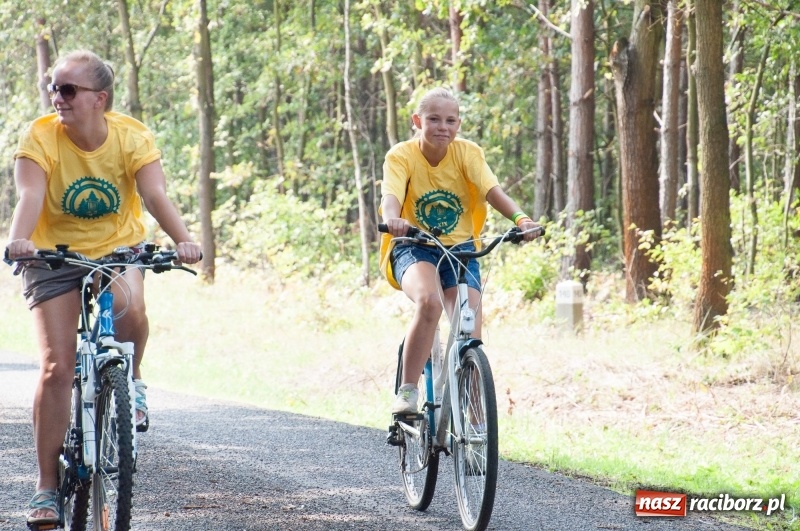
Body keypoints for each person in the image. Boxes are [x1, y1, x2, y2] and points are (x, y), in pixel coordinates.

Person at [3, 50, 201, 526]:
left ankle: (130, 382)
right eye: (54, 87)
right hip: (53, 254)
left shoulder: (132, 136)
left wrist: (184, 240)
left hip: (116, 248)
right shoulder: (41, 135)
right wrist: (18, 240)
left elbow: (154, 195)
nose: (57, 97)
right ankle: (47, 488)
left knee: (131, 306)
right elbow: (30, 194)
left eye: (67, 90)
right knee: (57, 366)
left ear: (99, 98)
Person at [380, 87, 540, 415]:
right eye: (434, 119)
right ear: (417, 121)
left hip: (462, 250)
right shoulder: (401, 155)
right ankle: (408, 392)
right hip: (414, 245)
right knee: (430, 301)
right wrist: (391, 220)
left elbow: (492, 191)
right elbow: (391, 195)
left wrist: (521, 219)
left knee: (467, 324)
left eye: (450, 120)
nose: (443, 126)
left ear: (459, 125)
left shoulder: (467, 153)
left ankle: (474, 416)